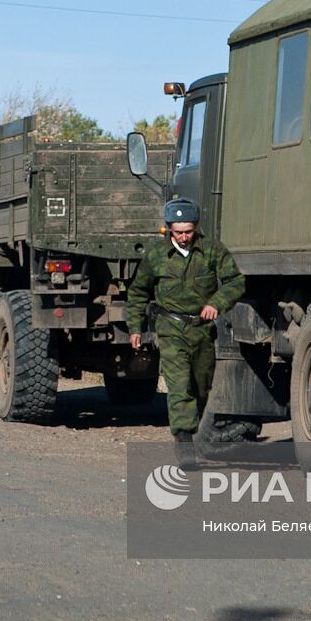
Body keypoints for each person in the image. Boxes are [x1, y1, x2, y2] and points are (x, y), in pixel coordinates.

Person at [126, 198, 244, 467]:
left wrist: (217, 303)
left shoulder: (212, 251)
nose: (183, 237)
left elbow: (235, 282)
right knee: (179, 385)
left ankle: (198, 432)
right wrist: (135, 328)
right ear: (168, 229)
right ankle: (183, 442)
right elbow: (138, 292)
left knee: (202, 386)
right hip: (170, 328)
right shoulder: (156, 256)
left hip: (202, 331)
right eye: (177, 232)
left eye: (188, 231)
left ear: (196, 228)